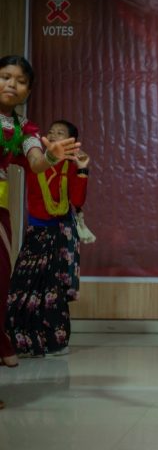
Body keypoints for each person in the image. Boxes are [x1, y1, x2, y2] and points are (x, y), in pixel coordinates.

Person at [0, 55, 80, 409]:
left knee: (0, 287)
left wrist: (52, 156)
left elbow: (35, 162)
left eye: (20, 81)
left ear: (28, 90)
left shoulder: (24, 130)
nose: (11, 84)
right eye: (4, 76)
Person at [5, 120, 89, 357]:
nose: (52, 135)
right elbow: (9, 155)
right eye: (50, 131)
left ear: (71, 142)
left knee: (53, 291)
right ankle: (19, 343)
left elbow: (77, 201)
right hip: (36, 233)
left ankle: (55, 344)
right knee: (21, 287)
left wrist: (82, 169)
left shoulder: (71, 165)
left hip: (61, 235)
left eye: (60, 133)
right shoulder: (35, 160)